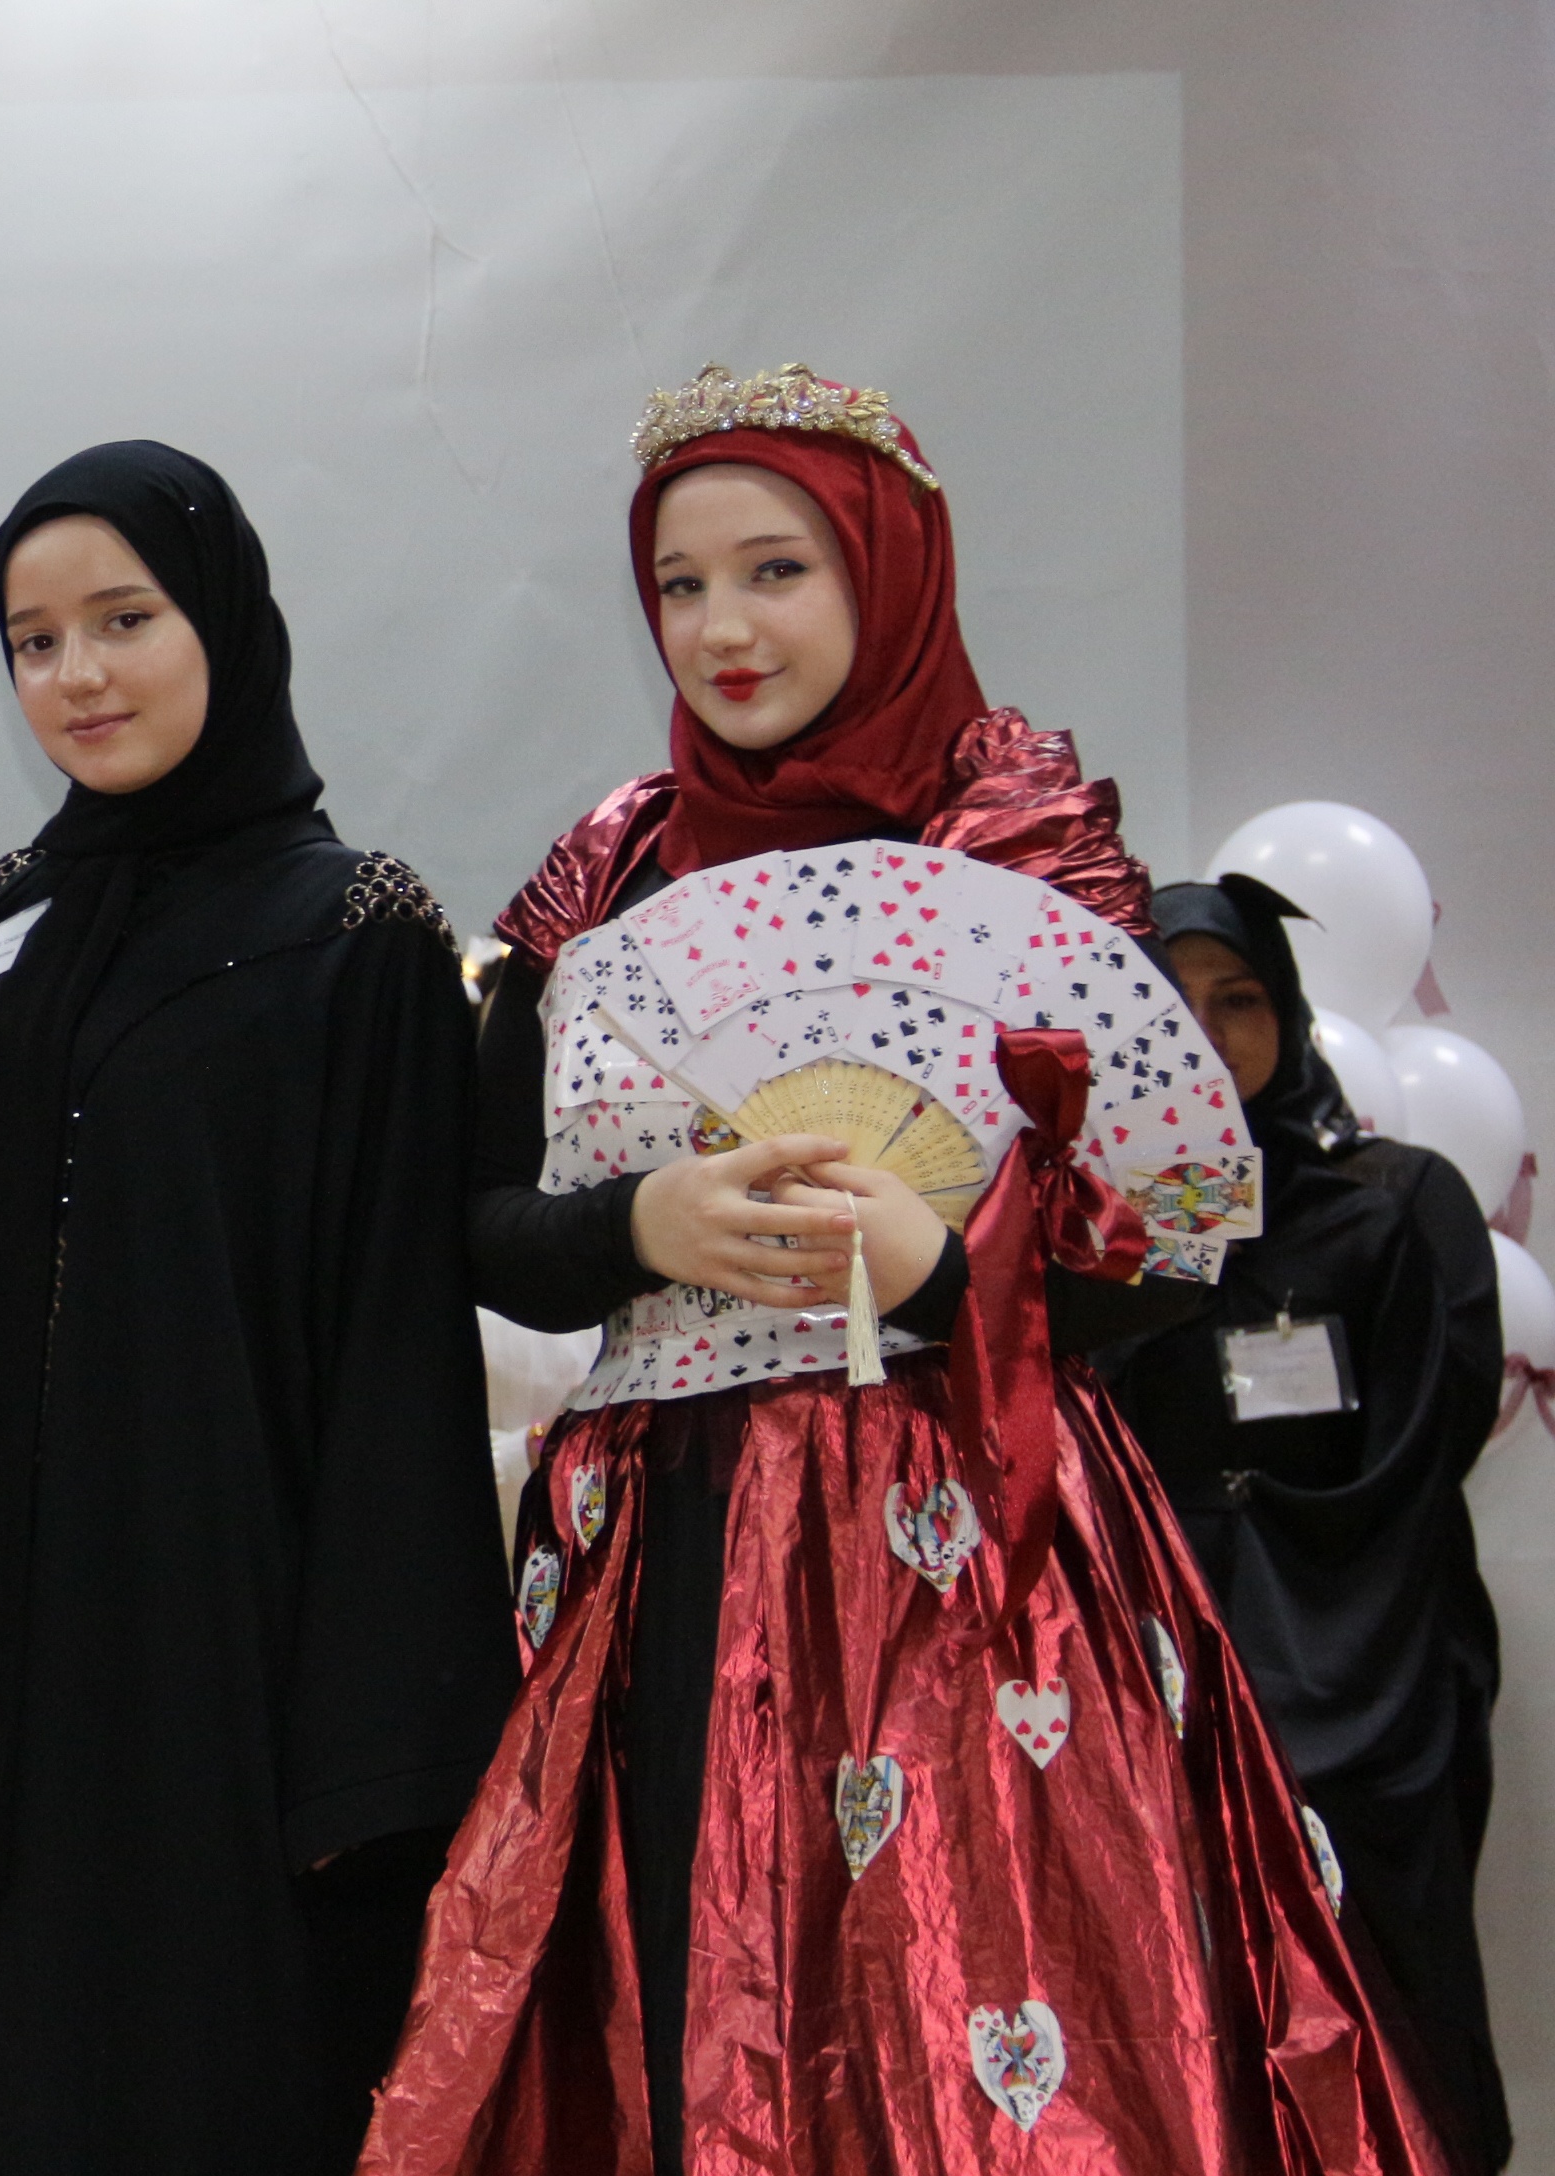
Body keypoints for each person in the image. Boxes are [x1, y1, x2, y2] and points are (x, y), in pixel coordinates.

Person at [363, 367, 1451, 2176]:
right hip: (677, 1532)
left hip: (978, 1536)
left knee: (985, 2013)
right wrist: (640, 1227)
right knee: (678, 1993)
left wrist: (947, 1263)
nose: (723, 628)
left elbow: (1167, 1235)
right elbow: (483, 1229)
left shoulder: (1017, 842)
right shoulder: (614, 872)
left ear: (890, 574)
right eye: (681, 585)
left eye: (776, 570)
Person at [0, 443, 511, 2175]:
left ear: (222, 618)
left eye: (124, 619)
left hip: (222, 1650)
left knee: (203, 2072)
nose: (78, 673)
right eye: (33, 640)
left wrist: (369, 1759)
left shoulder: (353, 931)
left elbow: (394, 1350)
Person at [1099, 877, 1511, 2173]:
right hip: (1169, 1678)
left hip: (1368, 1666)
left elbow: (1420, 1455)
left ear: (1286, 1010)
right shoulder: (1112, 1231)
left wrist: (1302, 1664)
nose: (1210, 1035)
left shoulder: (1390, 1203)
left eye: (1239, 1000)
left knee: (1396, 2007)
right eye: (1172, 1006)